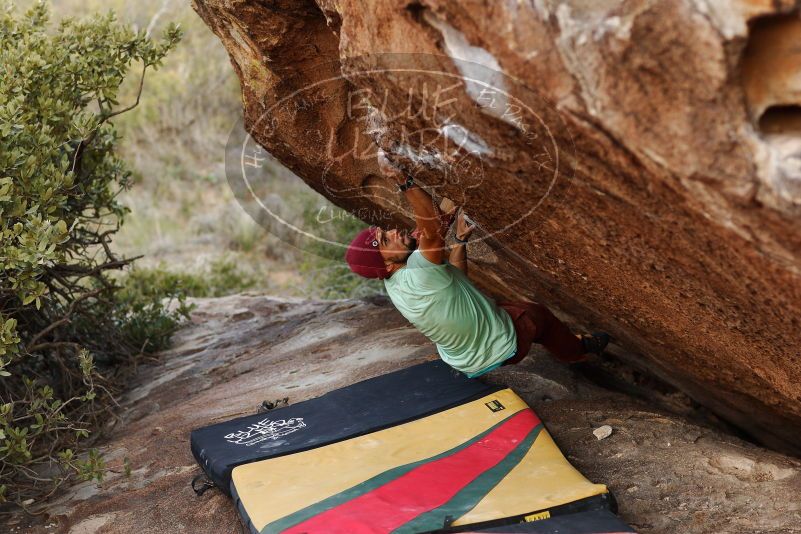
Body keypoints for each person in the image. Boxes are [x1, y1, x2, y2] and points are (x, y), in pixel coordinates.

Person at [344, 153, 609, 378]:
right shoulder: (417, 273)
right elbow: (431, 229)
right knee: (537, 315)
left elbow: (455, 279)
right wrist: (402, 180)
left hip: (464, 360)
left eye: (383, 231)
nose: (392, 231)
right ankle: (578, 351)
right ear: (387, 264)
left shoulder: (397, 282)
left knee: (501, 307)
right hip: (502, 347)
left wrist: (459, 240)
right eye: (384, 240)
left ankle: (558, 343)